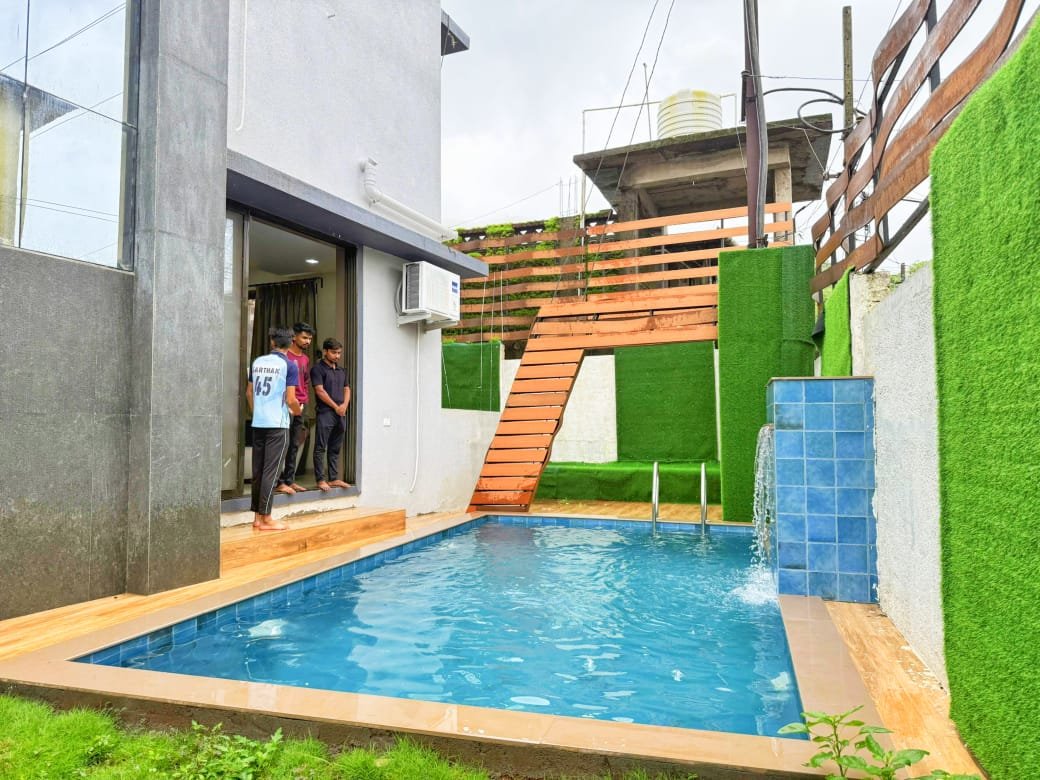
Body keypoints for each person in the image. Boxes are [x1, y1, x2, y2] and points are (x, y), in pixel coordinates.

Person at [247, 327, 301, 530]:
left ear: (272, 342)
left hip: (258, 423)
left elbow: (249, 393)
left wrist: (257, 412)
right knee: (272, 472)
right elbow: (291, 399)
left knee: (258, 471)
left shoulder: (257, 362)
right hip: (277, 425)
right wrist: (297, 411)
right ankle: (267, 518)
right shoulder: (290, 365)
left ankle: (257, 518)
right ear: (291, 343)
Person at [277, 322, 315, 494]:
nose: (308, 341)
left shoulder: (305, 359)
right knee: (282, 444)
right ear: (294, 337)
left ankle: (289, 480)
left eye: (310, 338)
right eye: (304, 337)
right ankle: (278, 482)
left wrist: (304, 400)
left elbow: (305, 381)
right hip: (285, 405)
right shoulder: (284, 357)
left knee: (294, 444)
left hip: (300, 405)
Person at [311, 337, 352, 491]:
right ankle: (320, 480)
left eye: (339, 353)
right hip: (325, 412)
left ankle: (333, 478)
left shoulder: (341, 371)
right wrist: (336, 407)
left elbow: (347, 389)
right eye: (334, 352)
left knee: (335, 447)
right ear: (325, 351)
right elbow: (319, 391)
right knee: (320, 447)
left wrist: (344, 406)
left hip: (340, 413)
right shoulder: (318, 369)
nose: (337, 356)